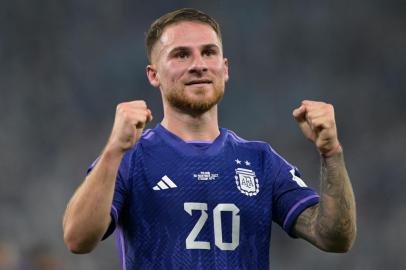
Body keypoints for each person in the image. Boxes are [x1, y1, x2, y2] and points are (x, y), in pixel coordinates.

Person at [62, 8, 356, 269]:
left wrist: (332, 154)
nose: (198, 64)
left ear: (224, 68)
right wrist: (114, 150)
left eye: (209, 52)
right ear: (154, 75)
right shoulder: (130, 158)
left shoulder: (261, 161)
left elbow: (333, 238)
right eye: (181, 55)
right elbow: (78, 239)